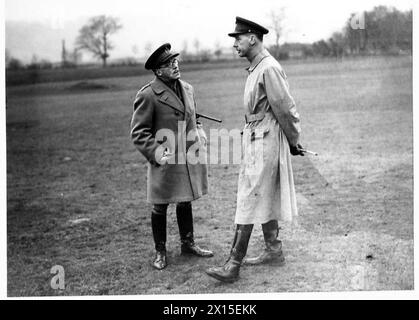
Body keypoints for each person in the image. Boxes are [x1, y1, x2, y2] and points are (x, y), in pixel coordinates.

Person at [205, 17, 304, 283]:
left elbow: (285, 108)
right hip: (256, 138)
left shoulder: (268, 68)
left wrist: (294, 141)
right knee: (262, 193)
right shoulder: (255, 68)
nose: (235, 44)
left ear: (253, 38)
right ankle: (274, 250)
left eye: (238, 38)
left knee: (249, 197)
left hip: (266, 140)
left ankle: (233, 264)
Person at [130, 43, 213, 270]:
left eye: (175, 61)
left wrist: (199, 130)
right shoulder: (148, 95)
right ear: (158, 71)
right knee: (160, 206)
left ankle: (188, 244)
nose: (175, 65)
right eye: (168, 64)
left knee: (185, 199)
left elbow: (194, 117)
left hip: (186, 158)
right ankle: (160, 251)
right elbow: (138, 132)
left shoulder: (187, 88)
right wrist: (157, 152)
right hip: (164, 160)